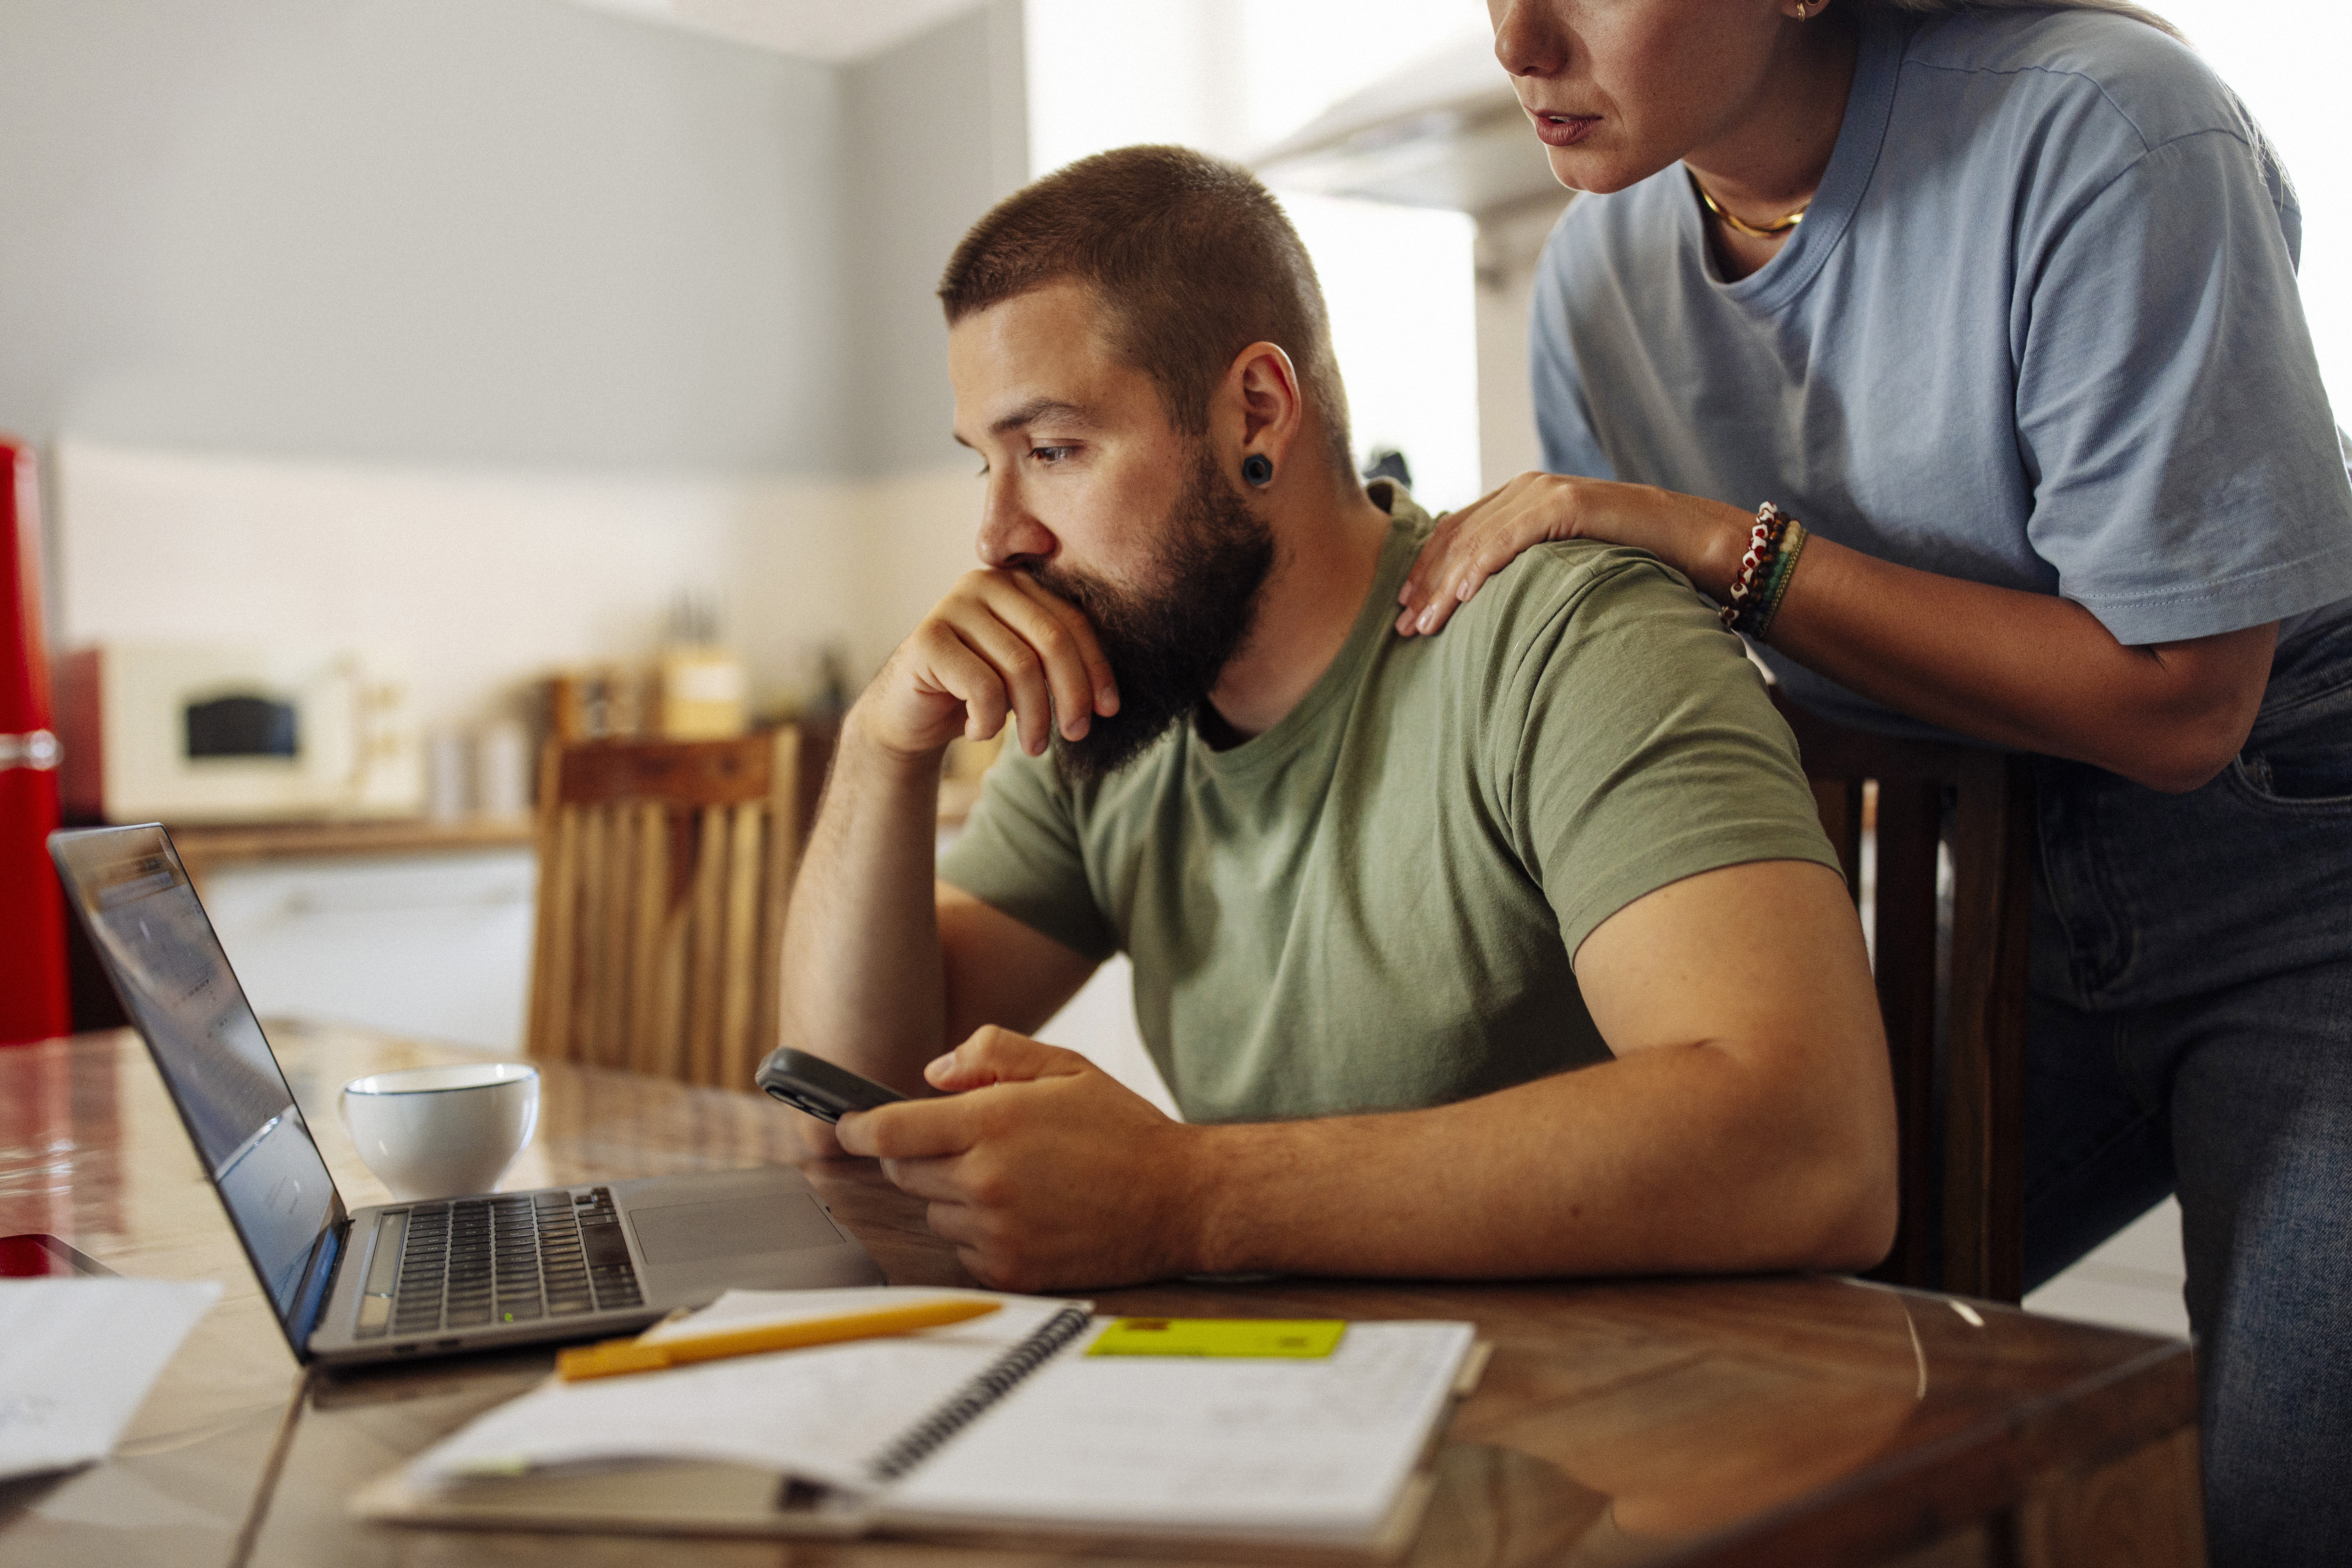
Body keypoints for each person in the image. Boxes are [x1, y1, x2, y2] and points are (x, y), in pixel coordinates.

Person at [1395, 4, 2352, 1564]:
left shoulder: (2109, 128)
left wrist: (1724, 543)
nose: (1519, 37)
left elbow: (2183, 706)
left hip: (2299, 850)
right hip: (1984, 870)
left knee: (2290, 1506)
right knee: (1712, 1358)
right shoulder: (1592, 277)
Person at [777, 144, 1898, 1300]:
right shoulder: (1116, 701)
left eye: (1053, 450)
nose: (998, 537)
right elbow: (856, 1100)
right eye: (988, 465)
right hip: (1291, 1413)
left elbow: (1815, 1146)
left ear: (1255, 412)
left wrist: (1191, 1196)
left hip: (1625, 1426)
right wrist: (880, 748)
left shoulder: (1565, 638)